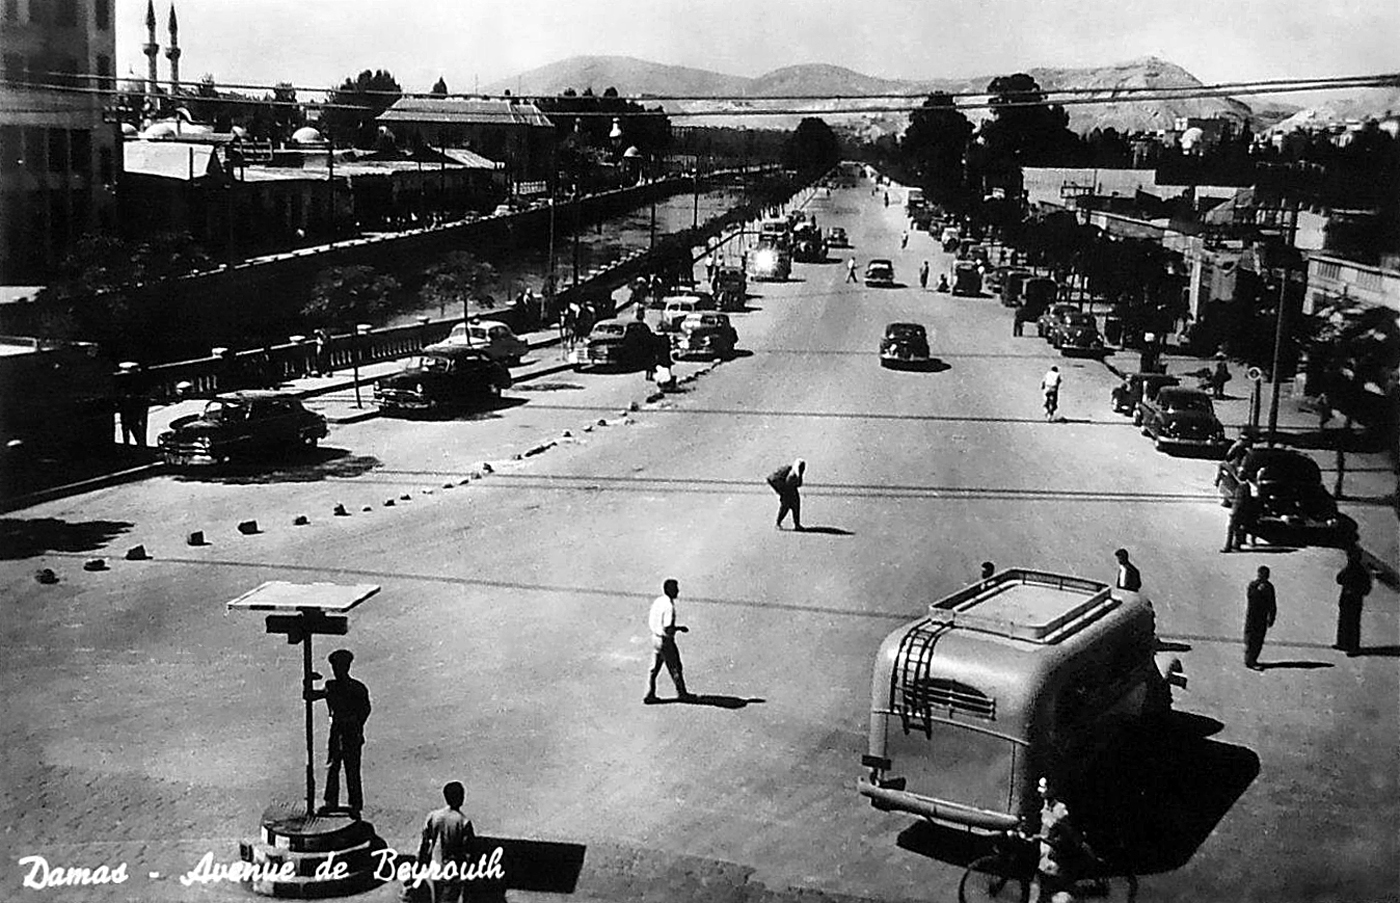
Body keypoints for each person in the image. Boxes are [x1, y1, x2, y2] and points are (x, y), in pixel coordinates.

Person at [306, 649, 371, 818]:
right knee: (333, 765)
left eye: (340, 666)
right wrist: (308, 680)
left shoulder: (356, 688)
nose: (337, 670)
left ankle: (354, 804)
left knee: (351, 768)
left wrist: (356, 725)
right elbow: (310, 696)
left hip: (350, 730)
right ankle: (330, 802)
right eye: (335, 667)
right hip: (337, 730)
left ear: (347, 667)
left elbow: (365, 709)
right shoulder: (331, 686)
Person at [417, 781, 476, 903]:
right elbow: (468, 851)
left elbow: (424, 843)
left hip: (434, 867)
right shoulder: (464, 822)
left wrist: (420, 864)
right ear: (460, 798)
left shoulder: (433, 816)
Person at [645, 579, 692, 704]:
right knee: (675, 667)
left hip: (655, 638)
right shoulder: (669, 607)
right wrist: (679, 628)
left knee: (654, 668)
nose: (678, 591)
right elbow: (667, 627)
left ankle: (649, 693)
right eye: (676, 589)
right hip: (665, 641)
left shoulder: (658, 601)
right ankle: (682, 693)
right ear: (671, 590)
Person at [1333, 546, 1372, 655]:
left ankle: (1347, 644)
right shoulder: (1360, 569)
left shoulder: (1354, 569)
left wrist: (1354, 589)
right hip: (1353, 599)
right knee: (1351, 622)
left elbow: (1339, 578)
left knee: (1348, 621)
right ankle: (1348, 644)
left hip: (1350, 598)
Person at [1243, 566, 1277, 670]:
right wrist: (1258, 591)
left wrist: (1272, 617)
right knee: (1250, 638)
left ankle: (1253, 659)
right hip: (1252, 617)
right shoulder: (1253, 585)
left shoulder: (1269, 587)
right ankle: (1249, 660)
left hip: (1262, 618)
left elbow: (1272, 604)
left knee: (1259, 639)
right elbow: (1250, 597)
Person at [767, 458, 806, 531]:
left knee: (795, 504)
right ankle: (778, 523)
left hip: (788, 486)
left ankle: (797, 524)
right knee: (786, 505)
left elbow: (798, 483)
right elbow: (791, 484)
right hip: (783, 485)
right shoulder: (792, 474)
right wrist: (783, 495)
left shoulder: (796, 472)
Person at [116, 366, 149, 447]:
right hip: (133, 400)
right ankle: (139, 444)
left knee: (131, 423)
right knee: (132, 423)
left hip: (134, 400)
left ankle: (138, 444)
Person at [1222, 478, 1256, 552]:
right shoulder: (1247, 486)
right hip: (1241, 509)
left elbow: (1239, 500)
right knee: (1237, 528)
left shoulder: (1242, 486)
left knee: (1231, 527)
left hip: (1238, 509)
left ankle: (1228, 546)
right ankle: (1236, 545)